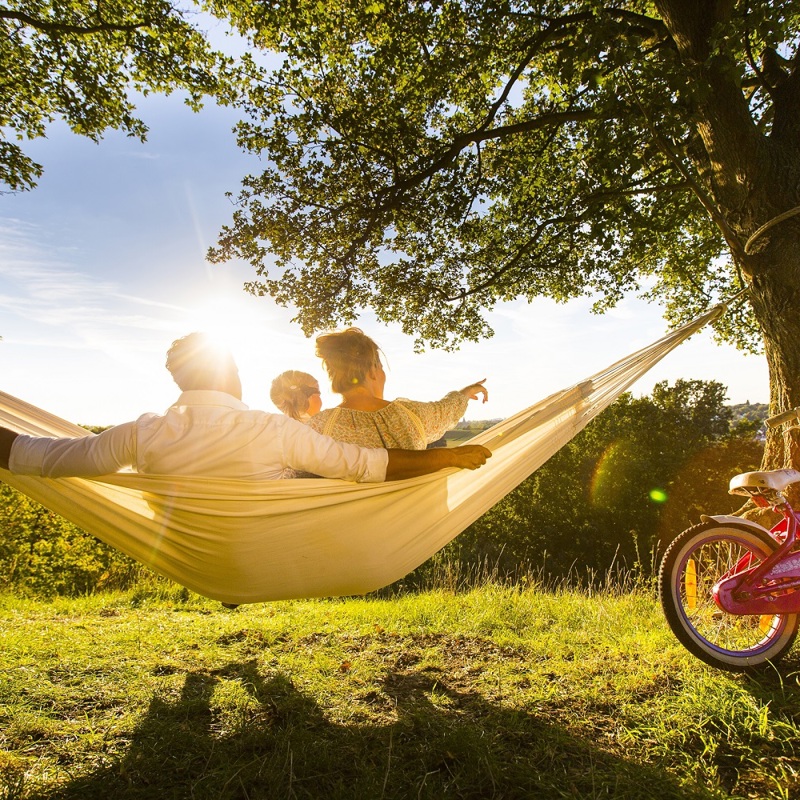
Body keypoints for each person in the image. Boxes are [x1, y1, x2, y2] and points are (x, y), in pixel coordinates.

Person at [0, 333, 491, 481]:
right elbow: (366, 465)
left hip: (198, 558)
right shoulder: (275, 433)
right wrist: (445, 452)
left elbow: (41, 456)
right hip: (317, 536)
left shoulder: (140, 433)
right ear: (234, 376)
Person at [308, 327, 488, 449]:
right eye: (380, 367)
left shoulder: (317, 429)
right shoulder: (408, 415)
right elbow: (444, 412)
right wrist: (466, 393)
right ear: (372, 370)